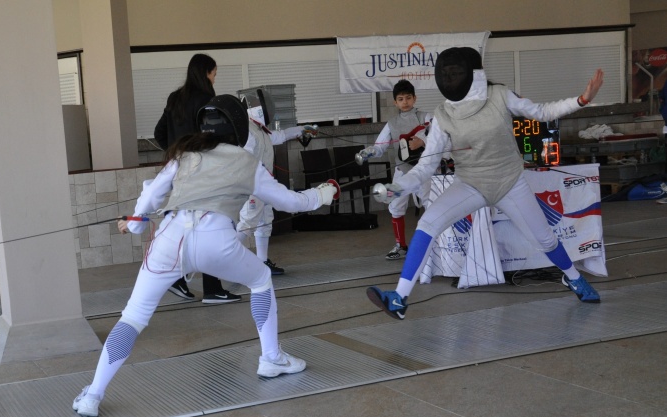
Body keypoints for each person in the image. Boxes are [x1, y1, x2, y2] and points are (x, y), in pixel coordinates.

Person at [73, 94, 339, 417]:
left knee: (133, 317)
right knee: (261, 279)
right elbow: (291, 202)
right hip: (217, 241)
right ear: (239, 126)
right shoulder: (247, 163)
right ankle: (271, 358)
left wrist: (135, 220)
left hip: (169, 240)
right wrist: (323, 193)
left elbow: (154, 191)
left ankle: (93, 396)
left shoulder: (186, 153)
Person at [367, 47, 604, 320]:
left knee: (545, 239)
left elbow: (541, 112)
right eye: (446, 74)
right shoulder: (443, 114)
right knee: (427, 224)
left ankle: (573, 278)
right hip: (470, 183)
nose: (450, 79)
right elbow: (426, 166)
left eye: (455, 73)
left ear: (472, 73)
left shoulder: (500, 95)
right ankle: (399, 298)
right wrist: (398, 187)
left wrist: (583, 100)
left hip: (510, 182)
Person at [153, 53, 239, 303]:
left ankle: (177, 279)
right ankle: (212, 289)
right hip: (203, 172)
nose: (214, 78)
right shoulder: (208, 100)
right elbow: (214, 136)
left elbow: (160, 132)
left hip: (178, 170)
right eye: (214, 73)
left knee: (187, 228)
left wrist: (174, 152)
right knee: (210, 226)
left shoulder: (175, 98)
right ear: (205, 73)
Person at [237, 88, 318, 274]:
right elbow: (244, 160)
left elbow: (280, 136)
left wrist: (302, 129)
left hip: (265, 188)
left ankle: (262, 262)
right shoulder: (248, 131)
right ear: (256, 109)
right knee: (248, 224)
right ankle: (221, 257)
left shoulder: (259, 129)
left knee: (265, 221)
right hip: (253, 187)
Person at [356, 79, 432, 260]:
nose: (405, 102)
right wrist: (368, 152)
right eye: (400, 99)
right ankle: (400, 246)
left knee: (431, 206)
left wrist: (422, 141)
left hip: (424, 171)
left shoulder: (427, 117)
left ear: (415, 98)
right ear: (395, 102)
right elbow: (380, 146)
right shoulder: (392, 123)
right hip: (402, 171)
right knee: (396, 207)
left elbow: (439, 136)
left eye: (408, 98)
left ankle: (433, 245)